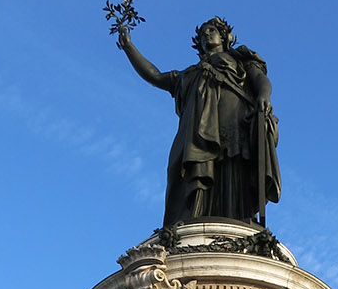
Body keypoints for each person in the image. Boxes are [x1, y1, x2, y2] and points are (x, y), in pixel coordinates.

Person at [117, 16, 280, 226]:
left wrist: (263, 96)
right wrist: (129, 47)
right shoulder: (187, 75)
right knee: (190, 169)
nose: (206, 35)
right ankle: (193, 217)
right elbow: (155, 76)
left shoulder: (239, 59)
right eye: (203, 33)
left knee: (232, 164)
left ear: (224, 36)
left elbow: (260, 80)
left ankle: (239, 217)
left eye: (211, 30)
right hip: (195, 132)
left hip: (234, 119)